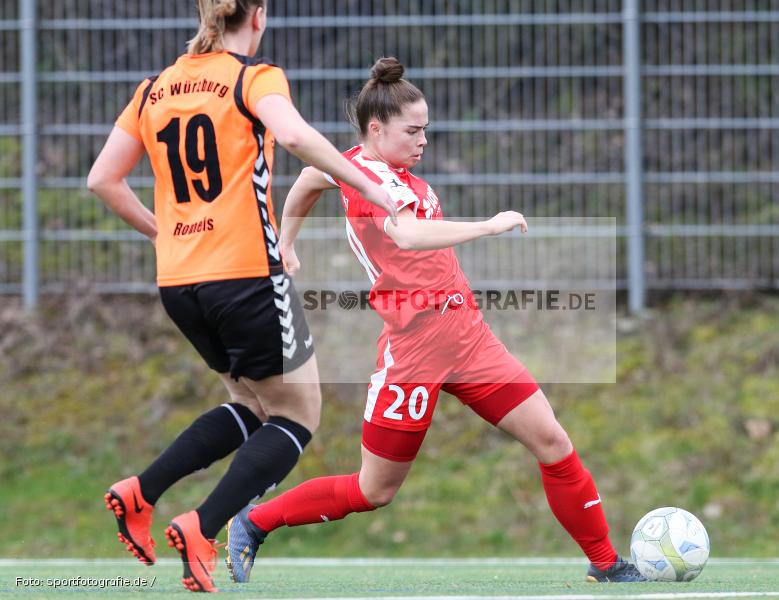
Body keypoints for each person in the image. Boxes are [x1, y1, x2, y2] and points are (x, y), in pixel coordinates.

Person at [225, 56, 645, 585]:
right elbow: (407, 235)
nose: (423, 140)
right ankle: (254, 521)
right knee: (374, 490)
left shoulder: (362, 167)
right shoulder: (374, 178)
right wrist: (488, 227)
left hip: (468, 338)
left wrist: (287, 242)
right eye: (413, 130)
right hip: (414, 351)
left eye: (426, 129)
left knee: (553, 442)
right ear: (376, 129)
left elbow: (312, 175)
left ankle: (607, 564)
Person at [86, 0, 397, 592]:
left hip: (180, 284)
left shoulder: (154, 88)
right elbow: (293, 134)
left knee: (252, 406)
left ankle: (140, 493)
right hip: (246, 277)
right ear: (257, 14)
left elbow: (103, 178)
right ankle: (203, 528)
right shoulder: (253, 76)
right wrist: (370, 184)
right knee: (297, 415)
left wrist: (167, 234)